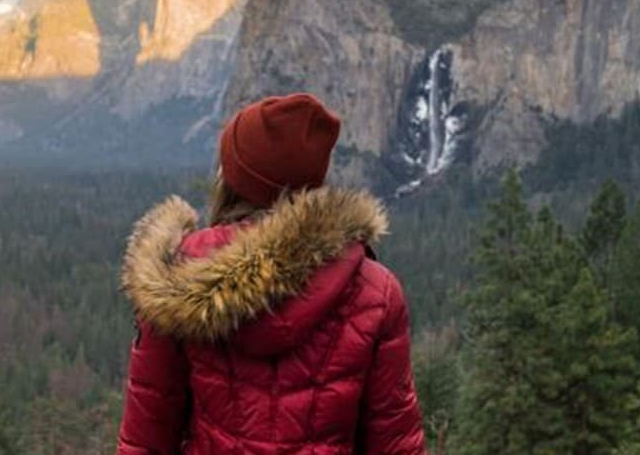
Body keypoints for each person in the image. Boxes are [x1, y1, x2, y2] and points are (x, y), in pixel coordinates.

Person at [117, 93, 425, 454]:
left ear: (232, 180)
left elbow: (146, 440)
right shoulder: (376, 292)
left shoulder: (175, 278)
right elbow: (396, 443)